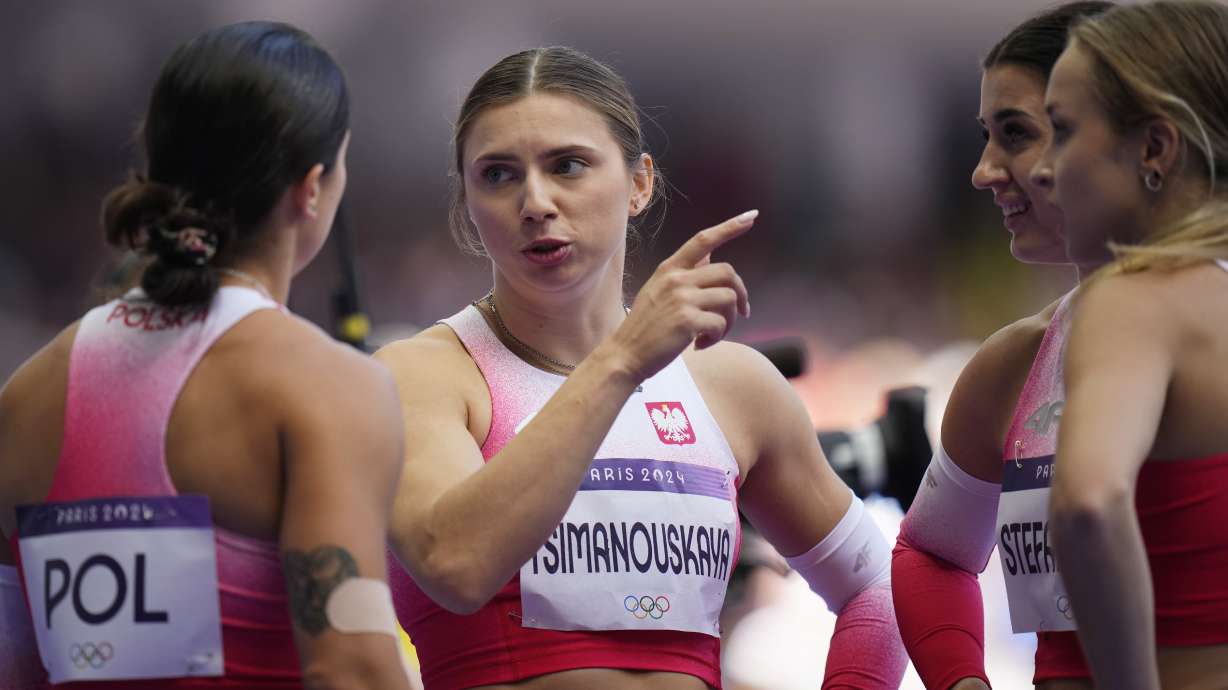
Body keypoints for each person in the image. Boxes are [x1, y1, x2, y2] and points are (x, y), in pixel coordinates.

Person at [376, 46, 906, 690]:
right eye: (498, 175)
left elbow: (884, 589)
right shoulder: (424, 376)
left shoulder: (732, 389)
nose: (535, 201)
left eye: (567, 165)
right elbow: (455, 564)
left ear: (639, 183)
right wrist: (623, 358)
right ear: (467, 202)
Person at [0, 21, 412, 689]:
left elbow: (15, 666)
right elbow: (352, 668)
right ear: (312, 188)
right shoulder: (329, 386)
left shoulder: (25, 394)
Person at [888, 4, 1114, 689]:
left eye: (1014, 134)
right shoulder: (1014, 365)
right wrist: (963, 679)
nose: (984, 171)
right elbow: (932, 555)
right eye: (985, 137)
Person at [1034, 2, 1228, 688]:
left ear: (1155, 148)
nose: (1043, 169)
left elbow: (1090, 502)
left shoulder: (1137, 299)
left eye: (1060, 131)